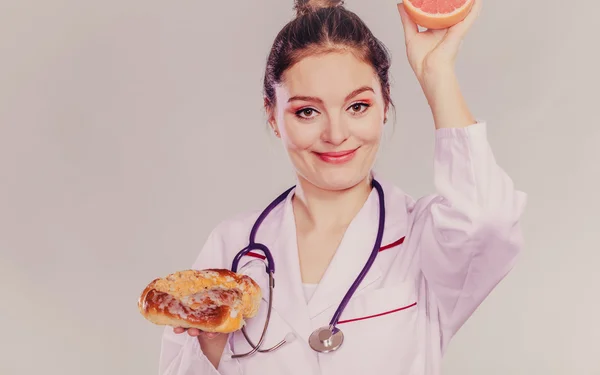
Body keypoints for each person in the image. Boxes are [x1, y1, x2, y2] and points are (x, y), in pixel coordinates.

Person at [157, 0, 527, 374]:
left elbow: (489, 220)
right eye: (307, 111)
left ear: (385, 105)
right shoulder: (230, 250)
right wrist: (212, 346)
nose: (336, 135)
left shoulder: (424, 238)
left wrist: (437, 74)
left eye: (357, 106)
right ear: (272, 115)